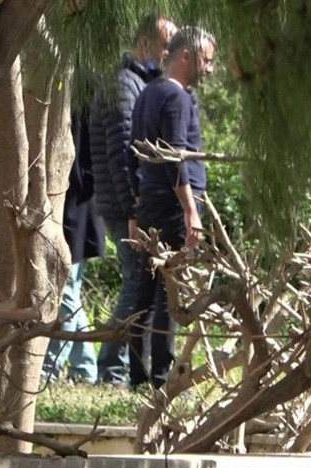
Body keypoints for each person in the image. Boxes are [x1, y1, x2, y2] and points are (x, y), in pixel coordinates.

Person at [89, 14, 177, 387]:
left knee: (139, 281)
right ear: (145, 43)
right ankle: (110, 368)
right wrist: (132, 211)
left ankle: (116, 365)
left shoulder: (141, 82)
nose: (170, 52)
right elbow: (123, 153)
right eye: (165, 45)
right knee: (135, 282)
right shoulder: (125, 85)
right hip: (124, 205)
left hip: (129, 204)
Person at [129, 26, 216, 388]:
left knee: (143, 291)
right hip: (173, 207)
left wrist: (135, 211)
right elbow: (175, 157)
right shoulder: (178, 98)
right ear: (187, 55)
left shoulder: (147, 93)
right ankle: (161, 377)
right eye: (207, 60)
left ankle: (137, 376)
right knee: (170, 292)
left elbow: (131, 155)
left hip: (149, 203)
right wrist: (191, 210)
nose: (210, 69)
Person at [41, 112, 106, 385]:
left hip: (75, 210)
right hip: (79, 208)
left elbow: (84, 166)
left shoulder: (81, 109)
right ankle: (86, 369)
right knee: (71, 293)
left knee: (65, 291)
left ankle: (52, 367)